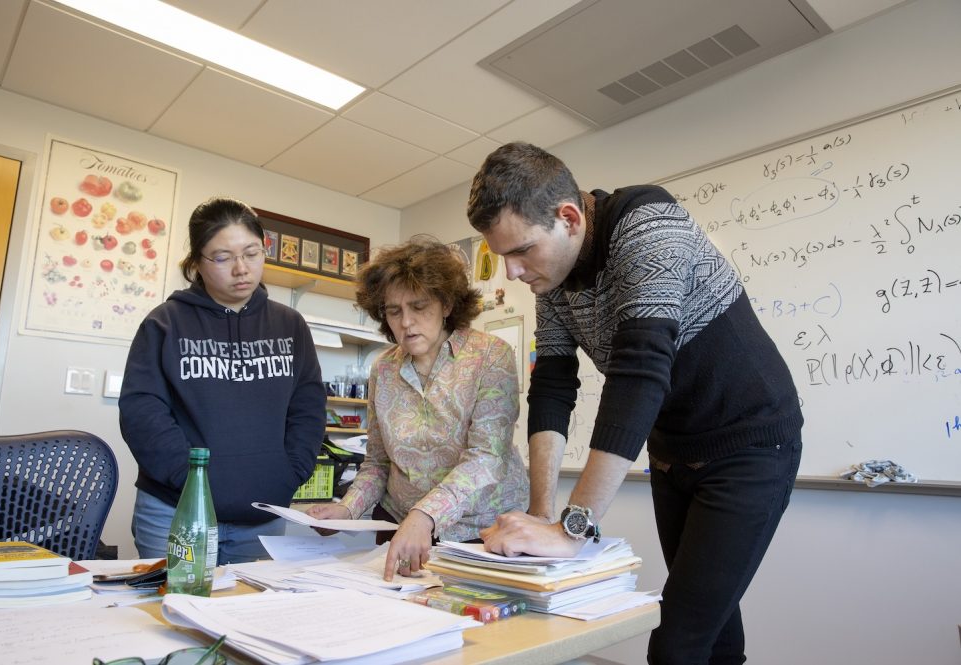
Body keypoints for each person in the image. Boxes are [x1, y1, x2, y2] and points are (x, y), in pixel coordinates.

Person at [467, 142, 803, 665]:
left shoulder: (648, 222)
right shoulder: (550, 280)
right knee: (712, 630)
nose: (510, 272)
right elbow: (553, 386)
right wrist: (540, 515)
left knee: (676, 643)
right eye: (500, 255)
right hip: (673, 454)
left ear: (569, 218)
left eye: (520, 251)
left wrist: (571, 529)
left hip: (751, 444)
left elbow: (640, 374)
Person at [306, 238, 529, 581]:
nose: (406, 322)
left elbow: (487, 458)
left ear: (446, 304)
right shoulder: (383, 369)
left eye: (418, 306)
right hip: (401, 528)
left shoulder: (490, 356)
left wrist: (425, 515)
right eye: (394, 311)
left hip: (481, 532)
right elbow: (378, 463)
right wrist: (347, 508)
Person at [119, 197, 325, 564]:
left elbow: (307, 409)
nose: (241, 269)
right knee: (171, 614)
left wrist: (289, 473)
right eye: (222, 257)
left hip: (261, 516)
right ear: (196, 262)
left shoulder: (290, 326)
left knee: (247, 615)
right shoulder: (165, 323)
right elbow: (142, 411)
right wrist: (191, 479)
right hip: (177, 512)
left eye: (252, 253)